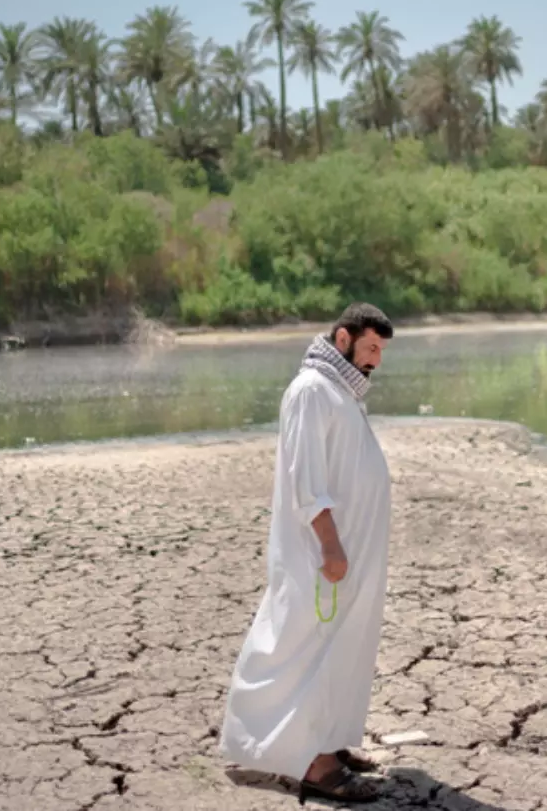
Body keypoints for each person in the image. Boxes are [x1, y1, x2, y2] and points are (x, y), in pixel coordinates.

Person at [220, 302, 396, 805]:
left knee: (343, 647)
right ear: (343, 339)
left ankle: (330, 743)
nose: (377, 360)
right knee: (303, 646)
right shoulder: (311, 390)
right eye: (371, 348)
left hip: (349, 556)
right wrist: (331, 544)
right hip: (321, 556)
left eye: (381, 350)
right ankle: (314, 767)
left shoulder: (339, 390)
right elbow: (307, 480)